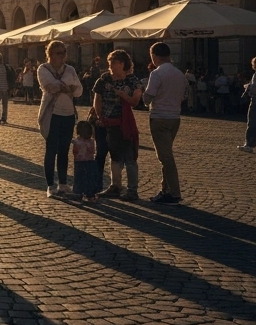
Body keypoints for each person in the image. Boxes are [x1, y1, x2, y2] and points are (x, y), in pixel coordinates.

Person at [91, 49, 142, 201]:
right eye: (110, 63)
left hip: (123, 124)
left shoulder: (132, 80)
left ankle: (132, 190)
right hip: (105, 123)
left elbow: (135, 101)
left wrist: (123, 95)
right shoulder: (105, 78)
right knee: (113, 156)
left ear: (122, 63)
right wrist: (99, 116)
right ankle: (115, 186)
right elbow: (97, 98)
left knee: (129, 157)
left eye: (113, 63)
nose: (110, 66)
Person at [36, 40, 83, 199]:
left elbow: (79, 91)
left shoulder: (70, 69)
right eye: (59, 53)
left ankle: (63, 183)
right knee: (51, 149)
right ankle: (50, 185)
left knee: (64, 149)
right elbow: (50, 86)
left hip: (68, 113)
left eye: (64, 52)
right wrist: (67, 87)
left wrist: (66, 87)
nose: (63, 56)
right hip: (52, 113)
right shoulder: (43, 69)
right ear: (50, 54)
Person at [142, 42, 186, 204]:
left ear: (154, 56)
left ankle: (174, 192)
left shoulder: (157, 74)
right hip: (175, 117)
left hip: (160, 117)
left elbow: (149, 96)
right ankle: (165, 189)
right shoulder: (179, 74)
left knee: (165, 157)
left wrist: (143, 96)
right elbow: (184, 95)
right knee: (166, 154)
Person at [71, 121, 102, 202]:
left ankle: (77, 193)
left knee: (79, 178)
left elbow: (74, 151)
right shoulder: (92, 141)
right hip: (90, 162)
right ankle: (90, 194)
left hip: (79, 162)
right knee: (90, 179)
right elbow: (93, 151)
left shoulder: (76, 141)